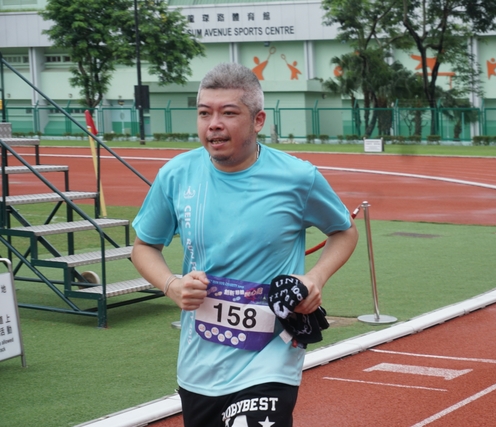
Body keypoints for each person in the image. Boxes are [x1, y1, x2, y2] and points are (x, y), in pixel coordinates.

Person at [131, 62, 358, 426]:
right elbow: (143, 247)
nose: (213, 124)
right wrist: (172, 285)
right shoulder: (176, 174)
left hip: (271, 358)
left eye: (228, 113)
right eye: (204, 113)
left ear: (258, 120)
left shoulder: (297, 177)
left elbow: (344, 231)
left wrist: (314, 278)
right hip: (200, 362)